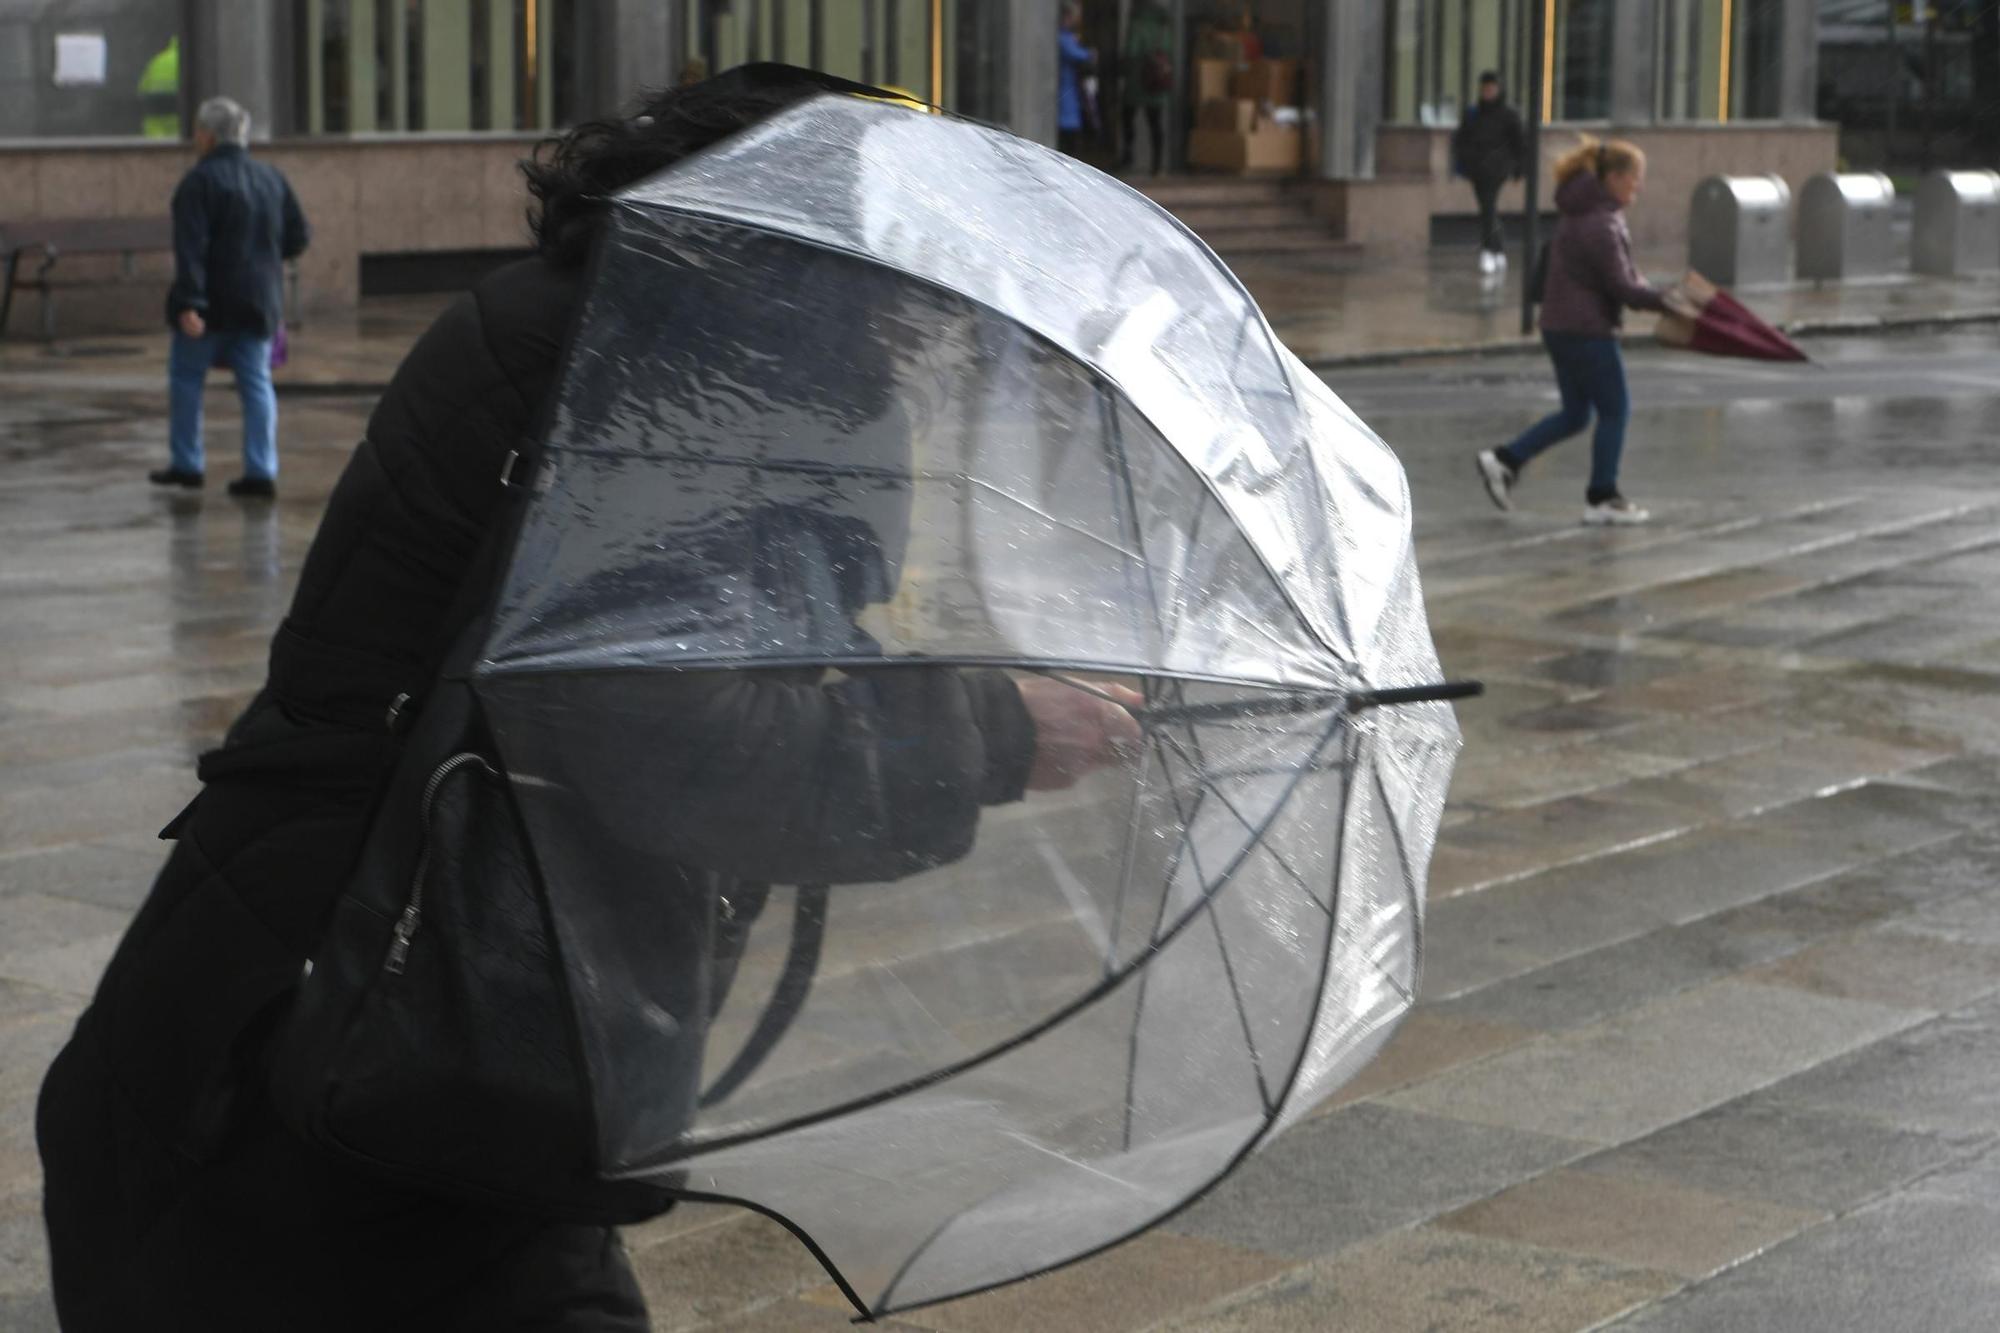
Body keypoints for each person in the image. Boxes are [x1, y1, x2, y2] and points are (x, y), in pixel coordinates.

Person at [38, 65, 1138, 1333]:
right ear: (805, 230)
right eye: (899, 256)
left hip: (331, 1015)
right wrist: (994, 727)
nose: (921, 302)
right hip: (364, 1062)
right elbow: (677, 731)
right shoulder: (675, 379)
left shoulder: (615, 318)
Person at [1476, 136, 1664, 526]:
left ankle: (1505, 459)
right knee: (1615, 410)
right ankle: (1602, 496)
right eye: (1634, 178)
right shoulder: (1600, 221)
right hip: (1586, 330)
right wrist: (1669, 301)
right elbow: (1623, 286)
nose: (1638, 187)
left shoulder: (1585, 212)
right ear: (1613, 177)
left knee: (1577, 414)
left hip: (1561, 326)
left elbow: (1620, 276)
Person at [149, 96, 309, 498]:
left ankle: (188, 464)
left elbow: (191, 249)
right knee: (256, 385)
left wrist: (189, 301)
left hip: (210, 306)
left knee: (187, 380)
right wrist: (264, 260)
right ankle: (261, 470)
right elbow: (298, 237)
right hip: (258, 304)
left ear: (206, 136)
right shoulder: (272, 178)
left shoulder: (198, 183)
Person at [1451, 71, 1525, 276]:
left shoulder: (1509, 115)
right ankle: (1497, 249)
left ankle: (1489, 250)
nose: (1488, 93)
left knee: (1488, 207)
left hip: (1498, 169)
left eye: (1491, 89)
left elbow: (1520, 143)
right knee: (1487, 209)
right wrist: (1463, 163)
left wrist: (1518, 169)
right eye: (1485, 89)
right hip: (1477, 168)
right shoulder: (1473, 113)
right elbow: (1461, 139)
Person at [1118, 0, 1172, 176]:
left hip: (1137, 81)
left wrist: (1124, 69)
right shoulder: (1164, 26)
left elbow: (1132, 51)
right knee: (1155, 123)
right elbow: (1169, 52)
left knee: (1127, 116)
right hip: (1157, 84)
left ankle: (1128, 156)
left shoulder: (1137, 23)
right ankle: (1157, 165)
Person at [1057, 1, 1098, 158]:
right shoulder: (1064, 39)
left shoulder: (1066, 37)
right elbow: (1078, 54)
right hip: (1066, 101)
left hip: (1069, 98)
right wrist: (1090, 54)